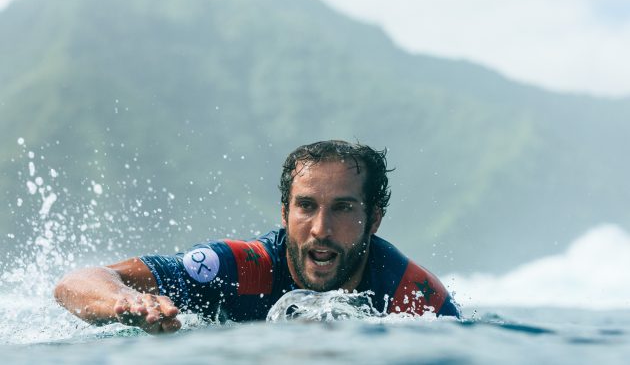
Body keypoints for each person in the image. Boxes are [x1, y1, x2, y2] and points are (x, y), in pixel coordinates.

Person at [54, 140, 460, 334]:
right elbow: (75, 284)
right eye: (306, 207)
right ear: (284, 213)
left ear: (374, 219)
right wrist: (126, 303)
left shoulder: (412, 295)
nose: (320, 229)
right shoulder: (241, 268)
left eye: (343, 208)